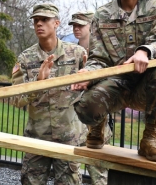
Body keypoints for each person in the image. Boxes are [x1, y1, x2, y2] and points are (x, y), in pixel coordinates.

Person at [71, 0, 156, 162]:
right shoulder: (102, 15)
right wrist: (89, 73)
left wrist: (145, 51)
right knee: (86, 106)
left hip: (146, 83)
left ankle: (149, 140)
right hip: (116, 84)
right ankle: (97, 127)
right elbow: (98, 57)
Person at [11, 3, 88, 185]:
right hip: (37, 138)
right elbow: (15, 100)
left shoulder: (77, 54)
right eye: (36, 20)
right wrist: (38, 83)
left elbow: (96, 89)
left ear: (56, 23)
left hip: (68, 138)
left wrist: (88, 79)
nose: (39, 24)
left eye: (44, 20)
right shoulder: (25, 58)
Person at [69, 11, 109, 185]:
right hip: (72, 120)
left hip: (96, 121)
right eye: (74, 25)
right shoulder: (68, 52)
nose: (76, 29)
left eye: (80, 25)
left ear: (92, 27)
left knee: (98, 171)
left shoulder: (104, 55)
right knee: (70, 171)